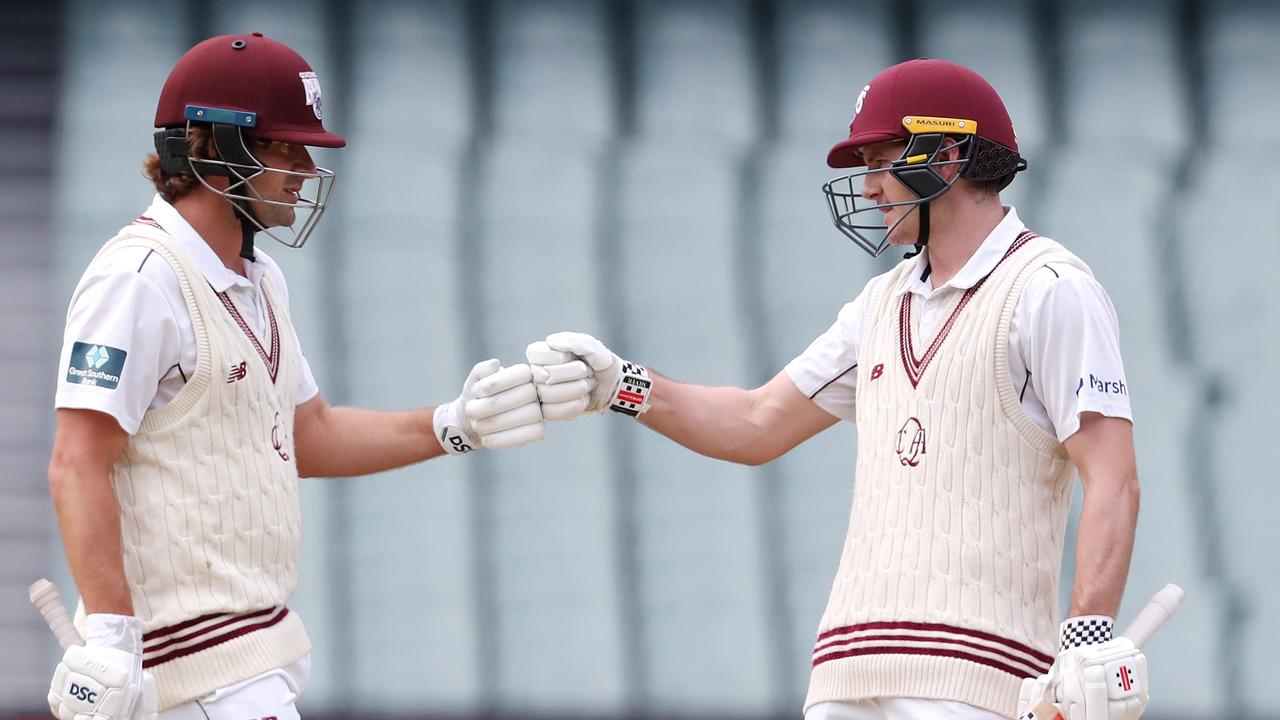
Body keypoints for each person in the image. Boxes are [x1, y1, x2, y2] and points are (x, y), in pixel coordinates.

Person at [525, 59, 1143, 720]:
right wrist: (620, 385)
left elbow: (1112, 478)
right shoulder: (877, 306)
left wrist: (1085, 640)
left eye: (881, 161)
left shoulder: (1051, 290)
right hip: (845, 678)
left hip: (981, 684)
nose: (870, 188)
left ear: (950, 154)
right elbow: (757, 422)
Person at [47, 33, 545, 720]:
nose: (306, 168)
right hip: (184, 672)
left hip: (255, 656)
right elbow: (76, 462)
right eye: (284, 147)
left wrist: (453, 426)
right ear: (214, 152)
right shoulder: (139, 279)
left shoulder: (261, 280)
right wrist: (107, 637)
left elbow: (311, 434)